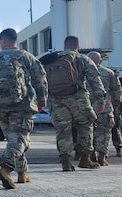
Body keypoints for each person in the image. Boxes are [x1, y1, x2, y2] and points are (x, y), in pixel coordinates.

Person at [0, 28, 48, 188]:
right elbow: (40, 79)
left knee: (13, 139)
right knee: (20, 138)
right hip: (22, 104)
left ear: (3, 41)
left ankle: (22, 173)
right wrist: (42, 100)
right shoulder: (25, 56)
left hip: (0, 106)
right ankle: (5, 168)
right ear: (14, 40)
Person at [41, 35, 106, 171]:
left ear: (65, 45)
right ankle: (85, 159)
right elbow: (94, 80)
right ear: (78, 46)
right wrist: (100, 100)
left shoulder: (52, 58)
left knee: (63, 129)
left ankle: (65, 160)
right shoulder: (82, 59)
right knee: (86, 125)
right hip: (78, 98)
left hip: (56, 99)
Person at [87, 52, 122, 166]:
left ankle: (91, 155)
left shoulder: (81, 73)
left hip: (87, 109)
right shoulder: (109, 73)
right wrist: (116, 103)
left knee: (88, 132)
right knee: (104, 133)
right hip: (104, 108)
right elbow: (117, 90)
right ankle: (102, 157)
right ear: (100, 60)